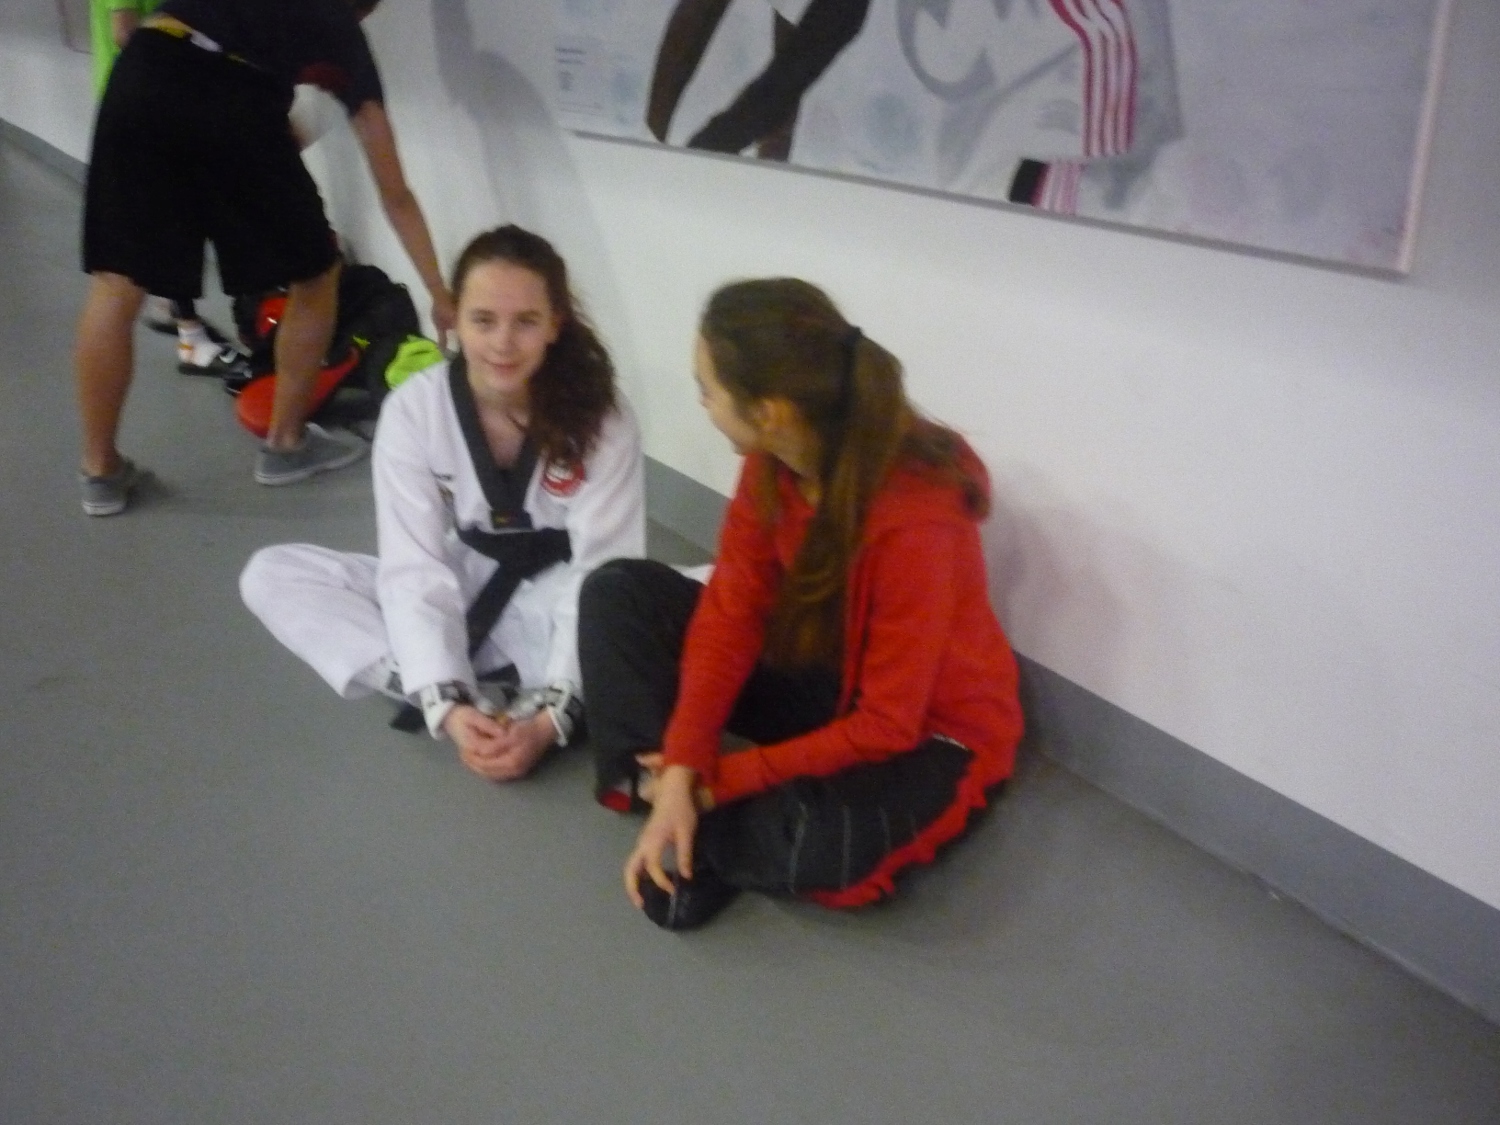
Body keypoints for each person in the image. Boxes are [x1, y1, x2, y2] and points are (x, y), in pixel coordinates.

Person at [578, 278, 1023, 930]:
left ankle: (698, 827)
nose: (701, 402)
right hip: (820, 676)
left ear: (769, 412)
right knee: (617, 593)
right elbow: (730, 613)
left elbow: (888, 724)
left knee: (824, 842)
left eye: (708, 389)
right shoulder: (772, 461)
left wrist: (726, 778)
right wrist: (687, 758)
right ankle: (665, 793)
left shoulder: (918, 525)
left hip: (926, 731)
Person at [241, 225, 645, 782]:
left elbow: (604, 568)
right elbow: (413, 565)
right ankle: (441, 685)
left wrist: (553, 717)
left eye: (526, 321)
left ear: (556, 324)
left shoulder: (602, 416)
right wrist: (447, 704)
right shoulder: (415, 410)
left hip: (556, 598)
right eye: (484, 320)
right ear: (455, 317)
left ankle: (534, 691)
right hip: (465, 577)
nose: (503, 343)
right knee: (272, 574)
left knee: (684, 599)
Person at [76, 0, 456, 516]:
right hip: (231, 92)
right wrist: (438, 291)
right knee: (316, 275)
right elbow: (396, 194)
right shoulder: (341, 32)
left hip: (144, 65)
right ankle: (286, 444)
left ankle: (100, 471)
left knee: (116, 283)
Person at [89, 0, 244, 379]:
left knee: (176, 223)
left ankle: (174, 311)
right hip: (145, 109)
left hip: (150, 103)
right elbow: (125, 31)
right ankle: (190, 338)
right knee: (126, 272)